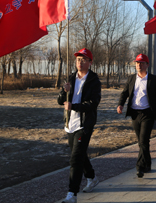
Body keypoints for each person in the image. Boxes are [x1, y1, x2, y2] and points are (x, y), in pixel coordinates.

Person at [57, 48, 102, 203]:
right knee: (80, 155)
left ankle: (72, 194)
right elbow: (60, 101)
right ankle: (92, 177)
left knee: (75, 159)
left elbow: (93, 103)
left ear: (90, 62)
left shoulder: (94, 80)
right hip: (70, 124)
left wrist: (74, 106)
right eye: (78, 59)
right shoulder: (71, 77)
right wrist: (64, 92)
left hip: (84, 125)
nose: (80, 62)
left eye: (83, 59)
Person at [117, 53, 156, 178]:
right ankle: (148, 163)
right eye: (137, 63)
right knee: (142, 142)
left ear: (147, 65)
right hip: (134, 113)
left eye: (142, 63)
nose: (139, 65)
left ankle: (140, 167)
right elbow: (125, 93)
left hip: (148, 113)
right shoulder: (132, 78)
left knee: (143, 140)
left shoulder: (154, 79)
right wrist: (120, 104)